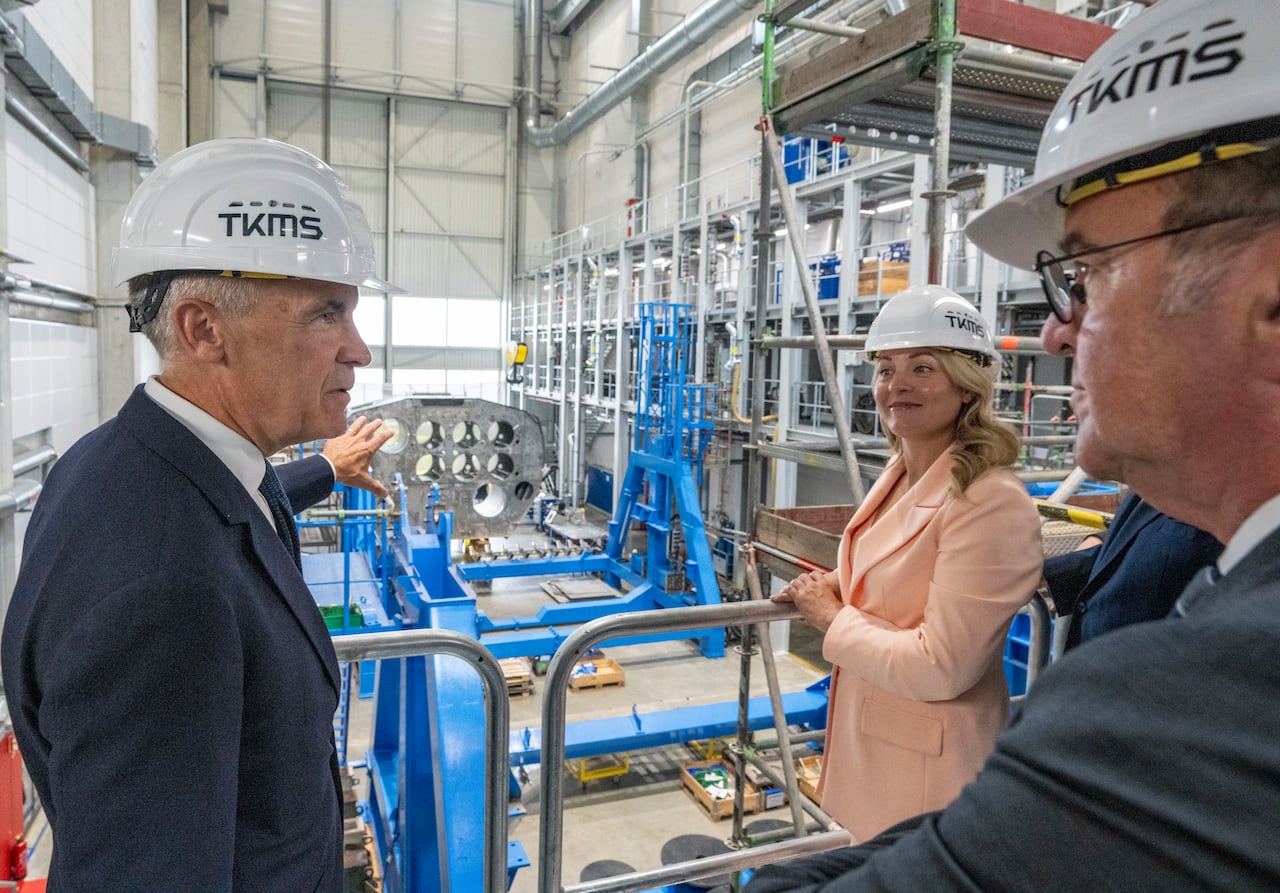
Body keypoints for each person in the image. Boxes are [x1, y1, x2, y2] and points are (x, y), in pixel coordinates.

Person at [746, 0, 1280, 888]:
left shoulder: (1212, 689)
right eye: (886, 369)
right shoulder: (1230, 597)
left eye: (1085, 276)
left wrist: (835, 620)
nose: (1055, 335)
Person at [1, 137, 400, 890]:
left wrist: (328, 468)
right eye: (328, 314)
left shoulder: (115, 462)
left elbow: (236, 508)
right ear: (204, 329)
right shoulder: (161, 594)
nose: (359, 350)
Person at [774, 285, 1042, 841]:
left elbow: (940, 665)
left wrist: (829, 615)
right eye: (886, 369)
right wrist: (837, 584)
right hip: (874, 755)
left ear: (967, 386)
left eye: (923, 368)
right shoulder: (901, 473)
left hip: (930, 775)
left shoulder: (989, 499)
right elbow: (895, 574)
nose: (897, 385)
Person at [1042, 491, 1221, 649]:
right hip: (1105, 662)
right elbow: (1140, 541)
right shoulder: (1151, 478)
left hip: (1155, 673)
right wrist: (1052, 571)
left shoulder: (1223, 491)